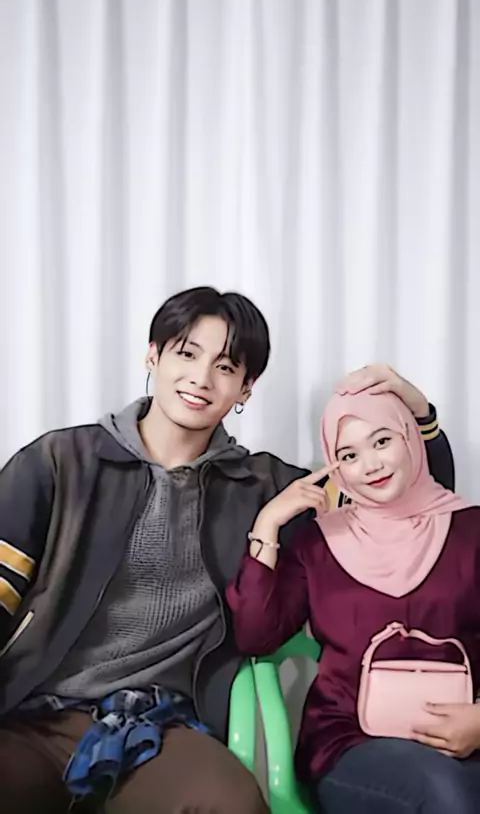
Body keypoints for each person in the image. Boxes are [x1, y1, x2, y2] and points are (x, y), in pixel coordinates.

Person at [0, 286, 454, 813]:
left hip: (160, 727)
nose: (201, 378)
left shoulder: (264, 486)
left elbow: (410, 496)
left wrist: (418, 410)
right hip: (36, 715)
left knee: (231, 804)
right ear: (153, 356)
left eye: (225, 367)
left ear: (246, 387)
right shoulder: (62, 461)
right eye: (187, 354)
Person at [227, 384, 480, 813]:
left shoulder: (470, 530)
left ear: (410, 438)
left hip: (468, 740)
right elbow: (256, 636)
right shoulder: (318, 543)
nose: (370, 465)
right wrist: (267, 525)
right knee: (446, 795)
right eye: (349, 455)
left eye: (381, 442)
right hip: (349, 742)